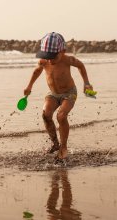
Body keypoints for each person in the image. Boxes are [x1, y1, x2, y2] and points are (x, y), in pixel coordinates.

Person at [23, 32, 93, 161]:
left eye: (53, 57)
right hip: (53, 94)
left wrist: (86, 83)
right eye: (47, 56)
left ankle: (63, 147)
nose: (49, 60)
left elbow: (81, 66)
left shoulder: (68, 60)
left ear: (63, 51)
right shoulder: (44, 61)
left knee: (61, 116)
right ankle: (55, 144)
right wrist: (29, 86)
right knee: (46, 114)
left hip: (69, 93)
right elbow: (37, 71)